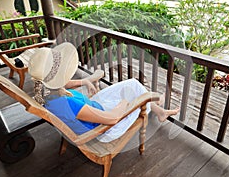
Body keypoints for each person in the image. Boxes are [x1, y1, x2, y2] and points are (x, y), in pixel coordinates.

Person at [28, 42, 180, 142]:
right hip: (105, 128)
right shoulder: (69, 103)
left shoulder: (45, 94)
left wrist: (85, 81)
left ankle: (159, 109)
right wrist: (125, 102)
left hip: (92, 107)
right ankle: (158, 108)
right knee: (137, 94)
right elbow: (112, 119)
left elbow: (63, 86)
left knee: (133, 84)